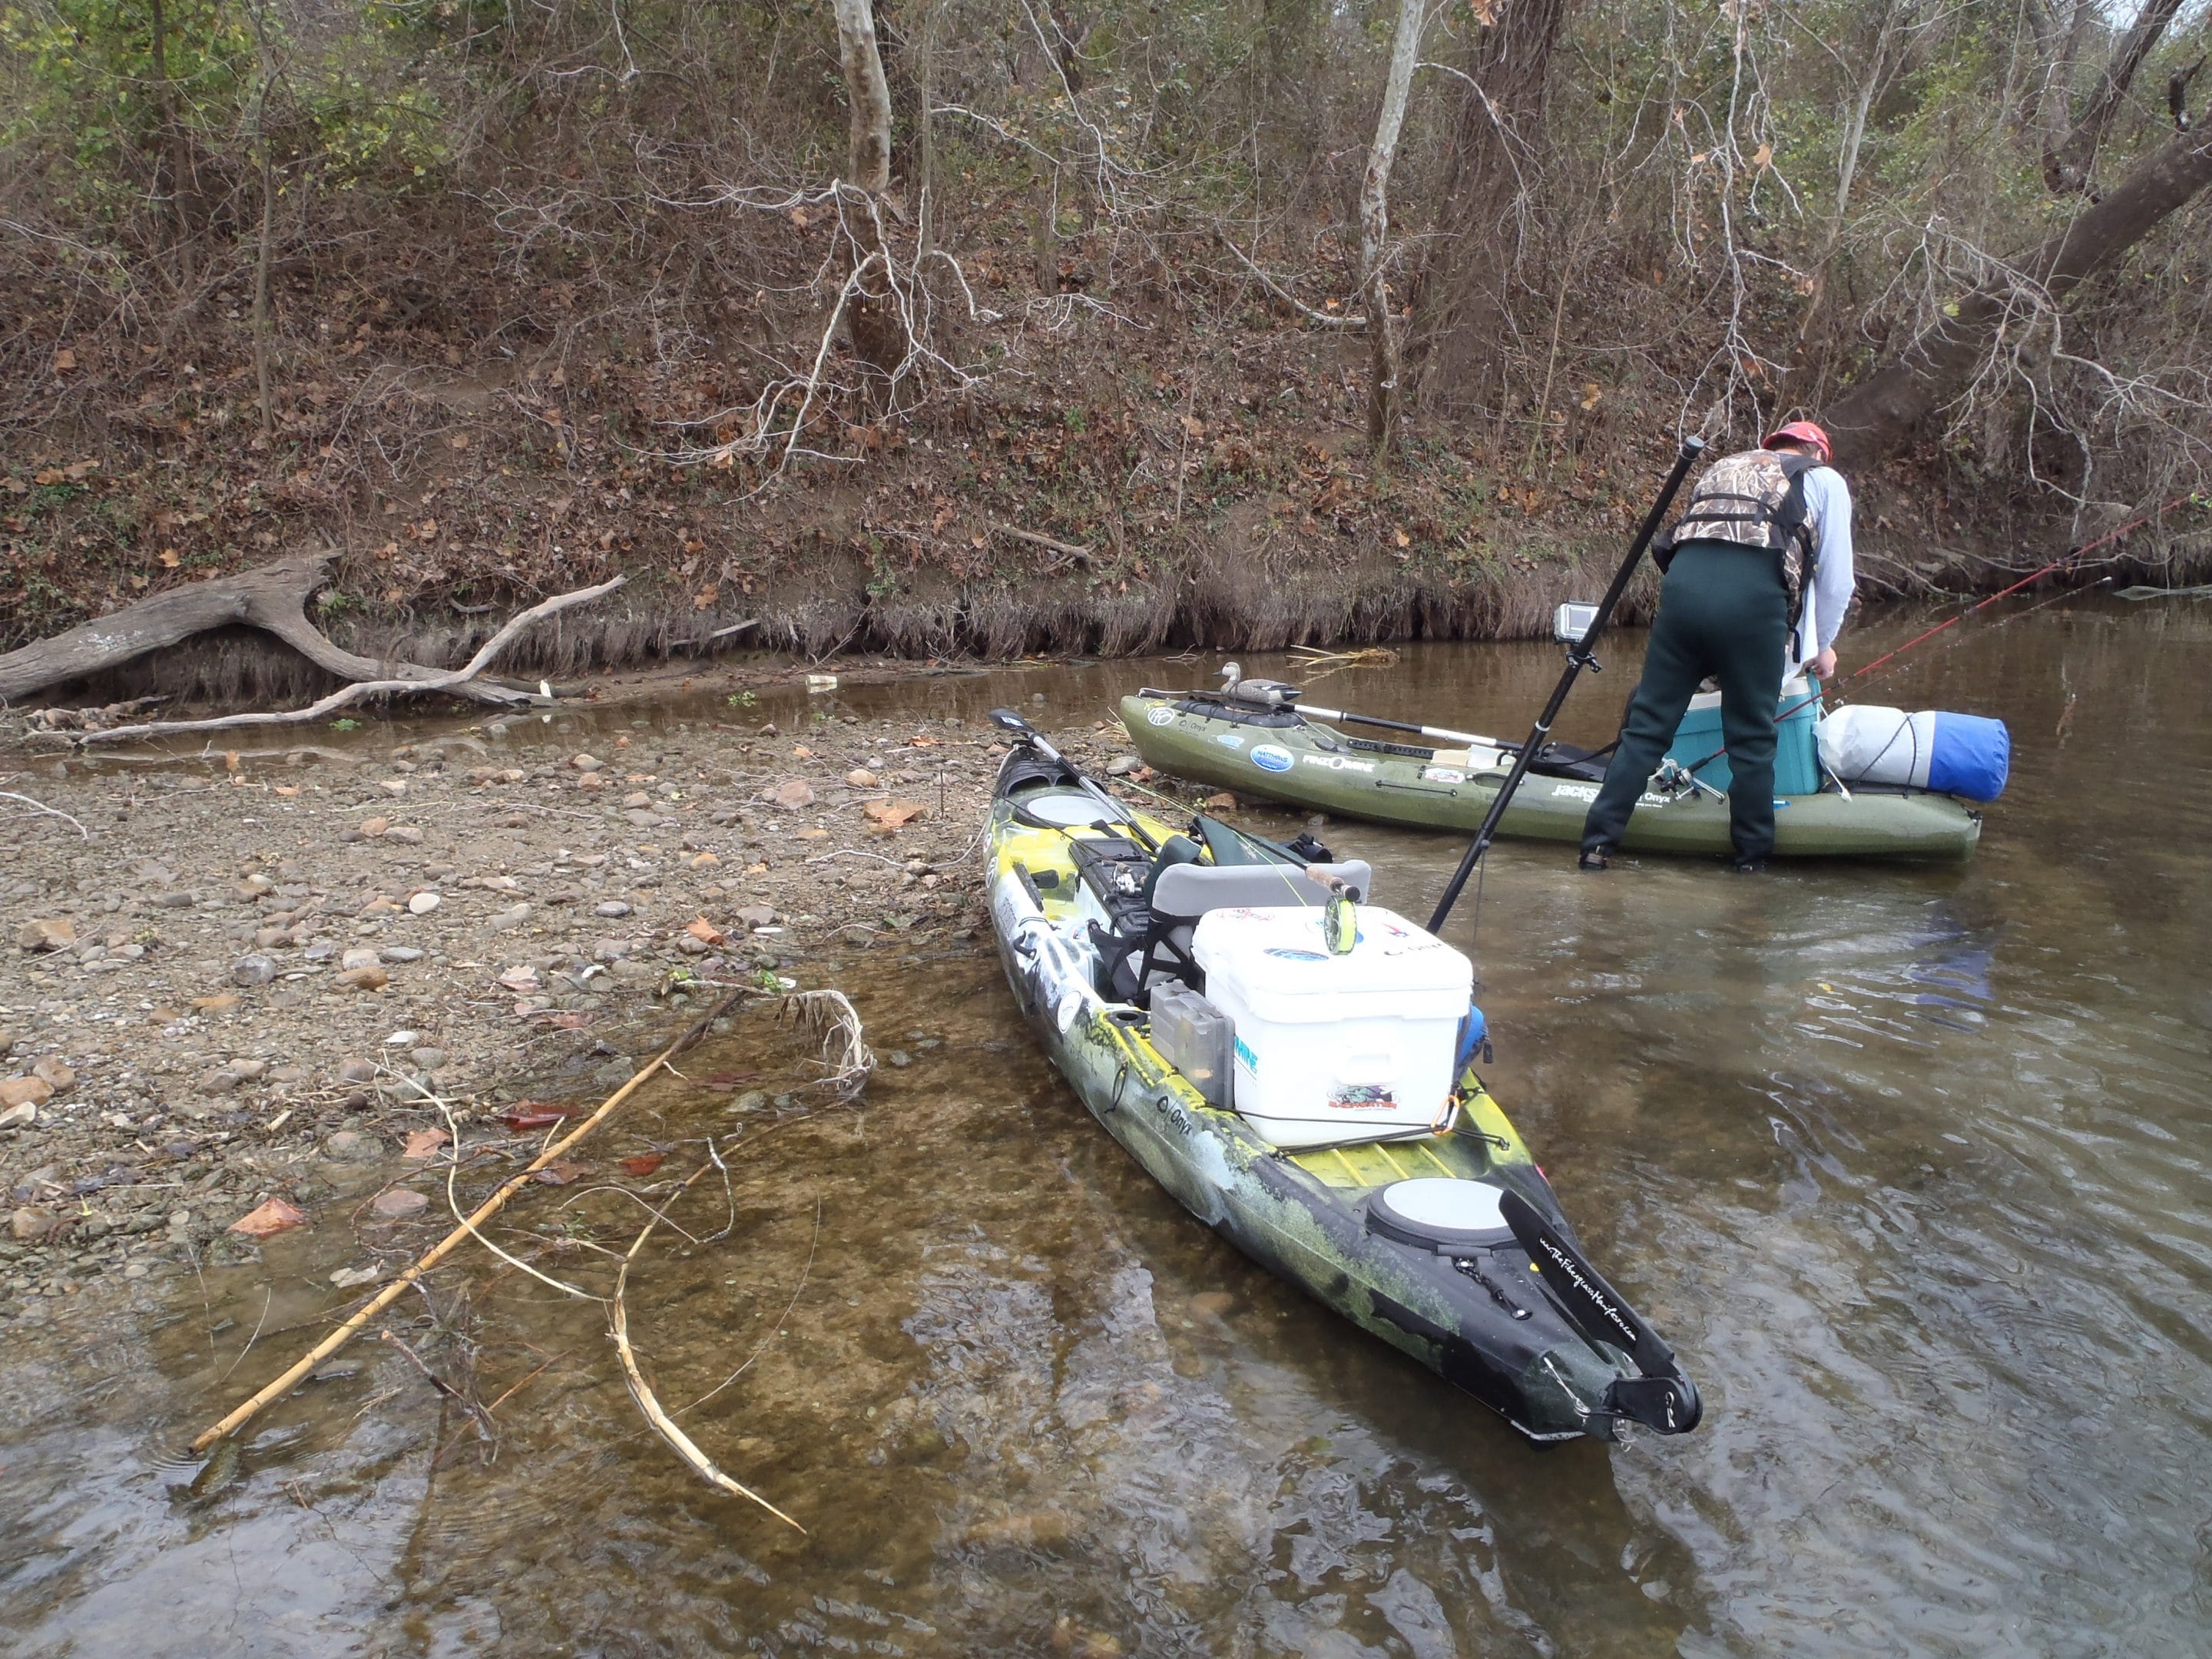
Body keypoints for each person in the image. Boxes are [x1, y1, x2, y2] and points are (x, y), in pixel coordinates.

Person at [1577, 420, 1855, 873]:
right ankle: (1750, 862)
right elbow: (1837, 580)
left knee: (1647, 729)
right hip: (1753, 602)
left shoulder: (1724, 466)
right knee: (1751, 738)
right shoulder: (1824, 479)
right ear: (1818, 452)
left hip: (1682, 592)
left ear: (1773, 446)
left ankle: (1597, 847)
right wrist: (1823, 644)